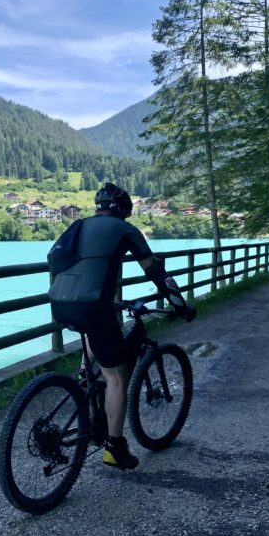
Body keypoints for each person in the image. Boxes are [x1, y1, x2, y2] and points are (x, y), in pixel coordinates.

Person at [48, 182, 195, 470]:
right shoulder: (126, 231)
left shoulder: (78, 225)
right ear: (124, 209)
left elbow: (56, 260)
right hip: (94, 305)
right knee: (117, 376)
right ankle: (114, 447)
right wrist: (180, 305)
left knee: (95, 329)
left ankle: (83, 377)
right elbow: (155, 272)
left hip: (61, 302)